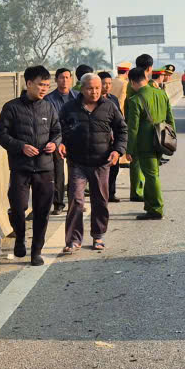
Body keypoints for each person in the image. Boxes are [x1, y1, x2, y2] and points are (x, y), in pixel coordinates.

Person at [0, 65, 61, 266]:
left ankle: (36, 252)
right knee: (18, 207)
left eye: (47, 86)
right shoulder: (11, 107)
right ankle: (20, 237)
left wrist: (54, 143)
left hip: (44, 167)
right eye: (41, 85)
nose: (44, 89)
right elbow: (2, 135)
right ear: (29, 83)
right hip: (20, 167)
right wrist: (20, 146)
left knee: (42, 211)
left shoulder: (49, 107)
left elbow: (57, 131)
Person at [58, 73, 127, 252]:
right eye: (90, 88)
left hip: (101, 162)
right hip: (77, 162)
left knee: (100, 200)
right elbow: (58, 130)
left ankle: (98, 236)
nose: (95, 92)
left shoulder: (109, 107)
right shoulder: (69, 108)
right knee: (76, 200)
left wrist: (117, 151)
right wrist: (61, 143)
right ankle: (73, 240)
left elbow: (122, 130)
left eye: (97, 88)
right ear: (82, 88)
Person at [125, 65, 175, 220]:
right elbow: (170, 118)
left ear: (132, 82)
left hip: (145, 143)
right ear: (146, 79)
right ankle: (149, 204)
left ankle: (156, 209)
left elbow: (133, 128)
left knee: (151, 175)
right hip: (161, 140)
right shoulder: (161, 94)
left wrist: (129, 150)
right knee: (153, 173)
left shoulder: (135, 100)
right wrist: (171, 138)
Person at [45, 68, 75, 212]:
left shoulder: (77, 97)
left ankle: (75, 202)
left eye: (67, 77)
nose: (65, 80)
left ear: (71, 79)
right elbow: (50, 123)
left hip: (75, 139)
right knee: (58, 172)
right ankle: (58, 203)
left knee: (76, 172)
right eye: (62, 77)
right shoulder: (49, 99)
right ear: (56, 80)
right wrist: (57, 142)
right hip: (57, 139)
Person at [128, 54, 155, 200]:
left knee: (139, 161)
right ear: (150, 68)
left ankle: (139, 189)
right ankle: (137, 191)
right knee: (137, 161)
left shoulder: (135, 80)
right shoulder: (140, 83)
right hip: (138, 124)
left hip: (137, 122)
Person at [99, 70, 122, 202]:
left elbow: (119, 120)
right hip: (100, 140)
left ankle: (111, 193)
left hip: (113, 139)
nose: (107, 86)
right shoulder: (92, 100)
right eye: (104, 83)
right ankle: (102, 193)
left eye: (109, 83)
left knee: (114, 167)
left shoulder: (113, 99)